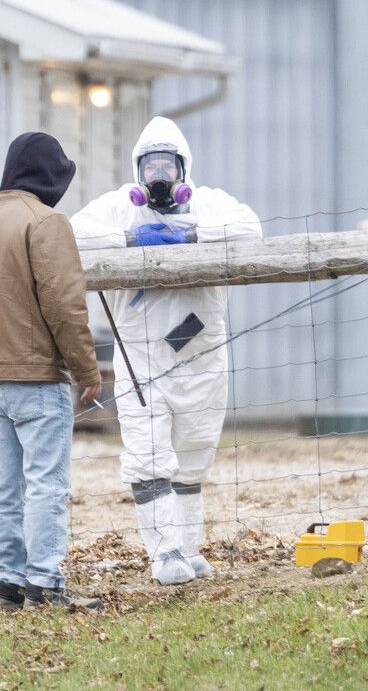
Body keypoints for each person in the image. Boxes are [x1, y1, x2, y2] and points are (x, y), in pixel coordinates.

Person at [71, 117, 262, 585]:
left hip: (201, 354)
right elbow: (70, 237)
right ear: (137, 170)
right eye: (150, 166)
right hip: (141, 359)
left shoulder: (210, 205)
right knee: (149, 455)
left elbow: (250, 230)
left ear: (183, 169)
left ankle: (188, 547)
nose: (160, 177)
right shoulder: (118, 209)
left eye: (168, 166)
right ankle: (165, 552)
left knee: (194, 453)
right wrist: (130, 240)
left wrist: (193, 236)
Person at [0, 132, 103, 610]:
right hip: (38, 380)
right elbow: (65, 307)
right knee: (46, 484)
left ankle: (8, 585)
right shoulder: (46, 223)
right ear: (47, 175)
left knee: (3, 485)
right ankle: (45, 583)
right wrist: (87, 370)